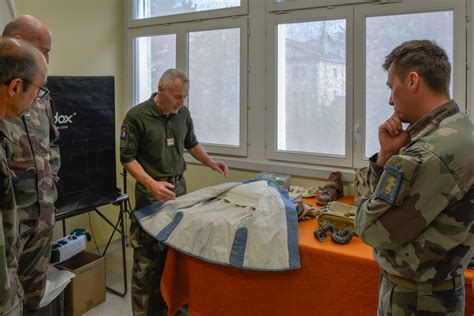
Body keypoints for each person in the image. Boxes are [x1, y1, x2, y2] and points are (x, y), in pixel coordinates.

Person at [355, 40, 474, 315]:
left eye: (390, 87)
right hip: (441, 290)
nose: (389, 100)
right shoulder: (460, 129)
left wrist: (376, 175)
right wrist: (386, 155)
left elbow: (370, 229)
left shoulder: (427, 154)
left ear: (412, 81)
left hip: (416, 300)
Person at [120, 68, 229, 315]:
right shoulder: (137, 117)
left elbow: (191, 142)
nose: (182, 102)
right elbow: (127, 158)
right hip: (152, 193)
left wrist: (211, 162)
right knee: (147, 262)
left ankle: (173, 307)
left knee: (176, 254)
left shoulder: (182, 114)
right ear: (161, 90)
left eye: (185, 97)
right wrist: (151, 184)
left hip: (179, 189)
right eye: (178, 97)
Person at [2, 15, 60, 314]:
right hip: (11, 220)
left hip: (42, 211)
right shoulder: (5, 92)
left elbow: (52, 146)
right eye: (45, 50)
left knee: (34, 294)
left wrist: (51, 189)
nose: (48, 58)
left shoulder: (40, 95)